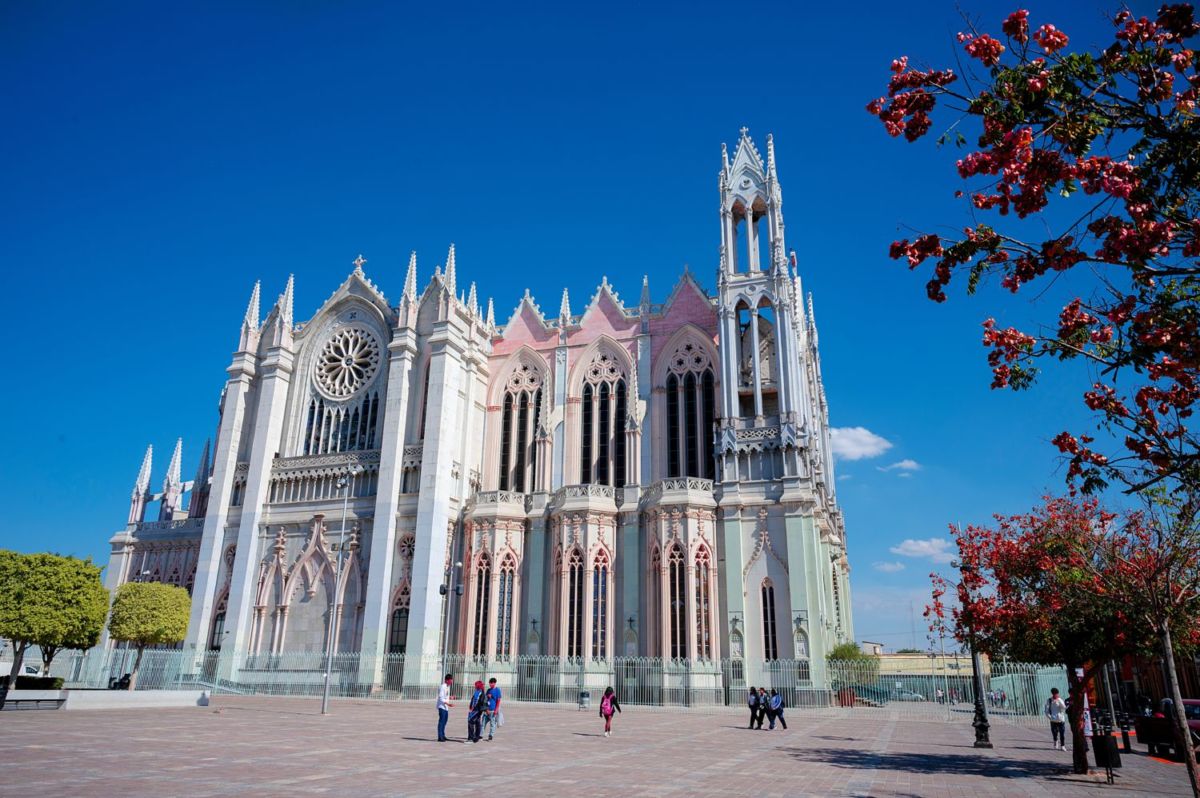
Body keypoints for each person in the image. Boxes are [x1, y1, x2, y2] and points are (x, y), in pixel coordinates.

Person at [436, 673, 454, 742]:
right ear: (447, 680)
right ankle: (440, 737)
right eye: (450, 680)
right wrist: (448, 704)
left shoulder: (447, 686)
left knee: (445, 721)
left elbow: (445, 696)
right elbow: (441, 698)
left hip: (446, 707)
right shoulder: (443, 686)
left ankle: (443, 735)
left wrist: (450, 697)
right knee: (441, 721)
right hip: (442, 707)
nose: (451, 681)